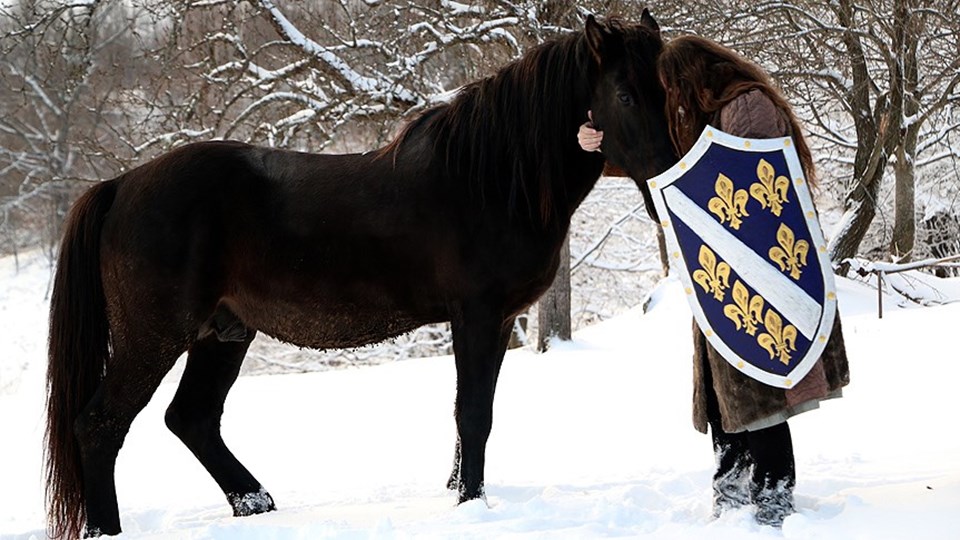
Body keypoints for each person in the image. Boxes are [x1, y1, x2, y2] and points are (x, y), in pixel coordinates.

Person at [579, 35, 850, 527]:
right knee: (724, 392)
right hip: (720, 280)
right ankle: (732, 493)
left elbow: (752, 189)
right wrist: (602, 149)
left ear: (696, 75)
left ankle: (772, 499)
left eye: (674, 85)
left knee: (757, 388)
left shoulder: (749, 105)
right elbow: (672, 168)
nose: (673, 97)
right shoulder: (708, 116)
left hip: (761, 278)